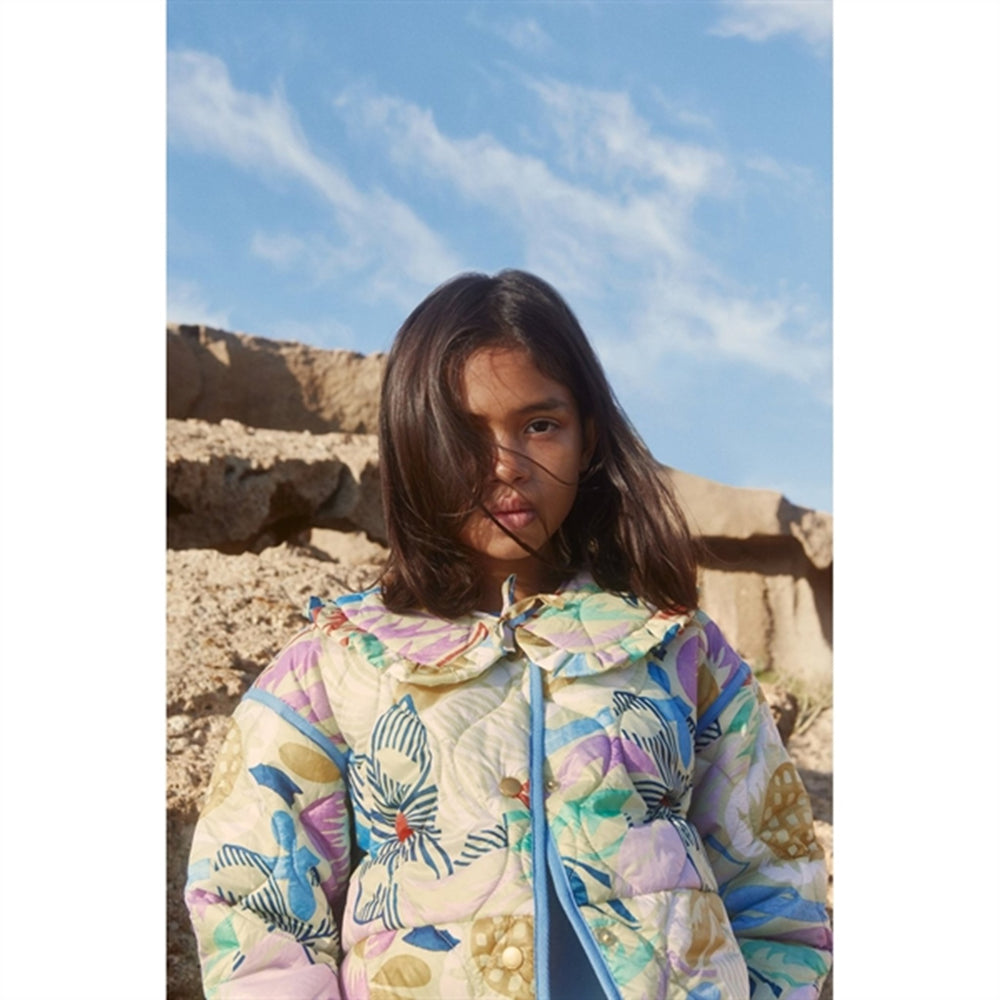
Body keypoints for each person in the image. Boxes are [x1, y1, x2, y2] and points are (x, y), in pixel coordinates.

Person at [185, 270, 832, 999]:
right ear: (412, 446)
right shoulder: (335, 663)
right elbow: (252, 906)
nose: (504, 466)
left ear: (588, 438)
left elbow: (778, 888)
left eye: (540, 425)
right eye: (462, 434)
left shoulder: (679, 649)